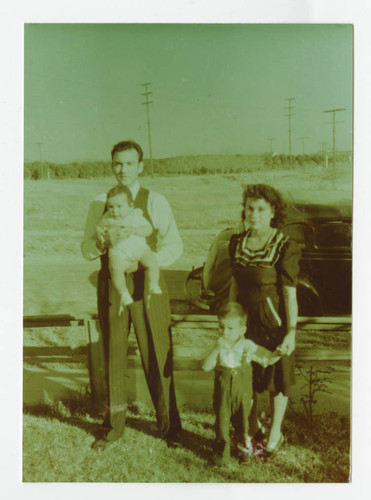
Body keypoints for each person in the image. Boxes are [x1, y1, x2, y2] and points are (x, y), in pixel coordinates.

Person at [81, 140, 183, 448]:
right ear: (111, 166)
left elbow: (173, 245)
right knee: (113, 353)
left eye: (129, 163)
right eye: (117, 163)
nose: (122, 169)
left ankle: (170, 428)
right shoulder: (100, 202)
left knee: (156, 351)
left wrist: (143, 263)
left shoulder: (155, 201)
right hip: (114, 284)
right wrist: (101, 244)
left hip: (146, 282)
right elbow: (86, 247)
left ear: (140, 165)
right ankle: (113, 427)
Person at [229, 184, 301, 457]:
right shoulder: (237, 242)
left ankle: (274, 435)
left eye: (261, 209)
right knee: (248, 377)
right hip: (245, 324)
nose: (254, 214)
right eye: (249, 208)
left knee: (276, 379)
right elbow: (235, 284)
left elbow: (289, 293)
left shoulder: (285, 245)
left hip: (274, 324)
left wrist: (290, 333)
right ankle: (253, 426)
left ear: (273, 212)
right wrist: (232, 321)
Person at [202, 302, 281, 466]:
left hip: (242, 393)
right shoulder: (218, 345)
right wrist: (216, 350)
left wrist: (278, 353)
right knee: (222, 421)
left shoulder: (247, 346)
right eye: (221, 327)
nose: (225, 332)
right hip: (223, 393)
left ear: (242, 330)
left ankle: (245, 451)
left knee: (244, 422)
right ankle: (220, 453)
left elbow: (267, 359)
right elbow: (205, 366)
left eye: (230, 328)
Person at [96, 184, 162, 310]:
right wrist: (100, 234)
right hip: (119, 252)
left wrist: (134, 230)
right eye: (111, 206)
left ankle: (153, 284)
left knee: (152, 261)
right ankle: (123, 293)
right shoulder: (107, 218)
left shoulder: (136, 215)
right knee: (115, 267)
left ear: (131, 206)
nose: (114, 211)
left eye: (119, 206)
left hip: (138, 249)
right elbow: (99, 227)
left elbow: (148, 229)